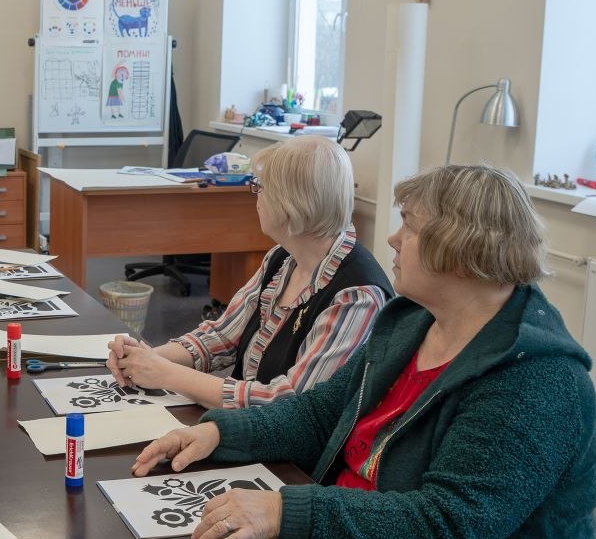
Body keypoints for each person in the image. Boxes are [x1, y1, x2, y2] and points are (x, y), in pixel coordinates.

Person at [132, 165, 596, 539]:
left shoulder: (536, 380)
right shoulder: (413, 320)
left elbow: (446, 526)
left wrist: (283, 510)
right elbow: (321, 413)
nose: (393, 239)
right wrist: (222, 433)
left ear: (460, 250)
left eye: (410, 226)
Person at [109, 136, 391, 408]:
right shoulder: (282, 258)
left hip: (292, 454)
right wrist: (143, 358)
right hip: (247, 432)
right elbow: (222, 336)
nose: (255, 196)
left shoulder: (356, 295)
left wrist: (167, 373)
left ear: (291, 202)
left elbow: (290, 404)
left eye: (261, 187)